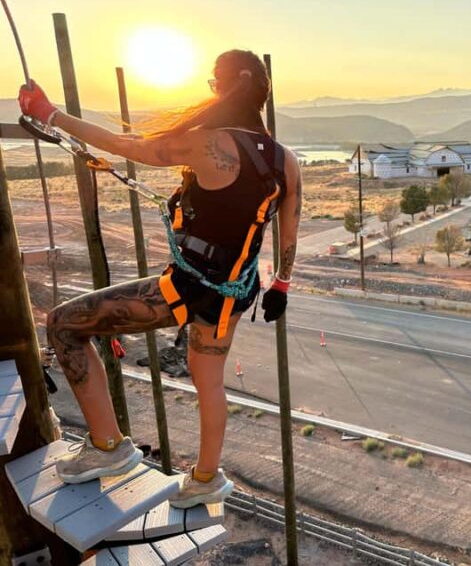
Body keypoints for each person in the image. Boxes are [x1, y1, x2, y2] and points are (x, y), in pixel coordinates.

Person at [17, 49, 301, 508]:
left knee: (64, 325)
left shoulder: (205, 142)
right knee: (209, 382)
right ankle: (206, 478)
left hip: (185, 287)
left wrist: (53, 115)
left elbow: (125, 146)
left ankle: (108, 446)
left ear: (224, 86)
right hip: (234, 292)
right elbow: (289, 228)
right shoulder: (284, 160)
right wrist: (282, 285)